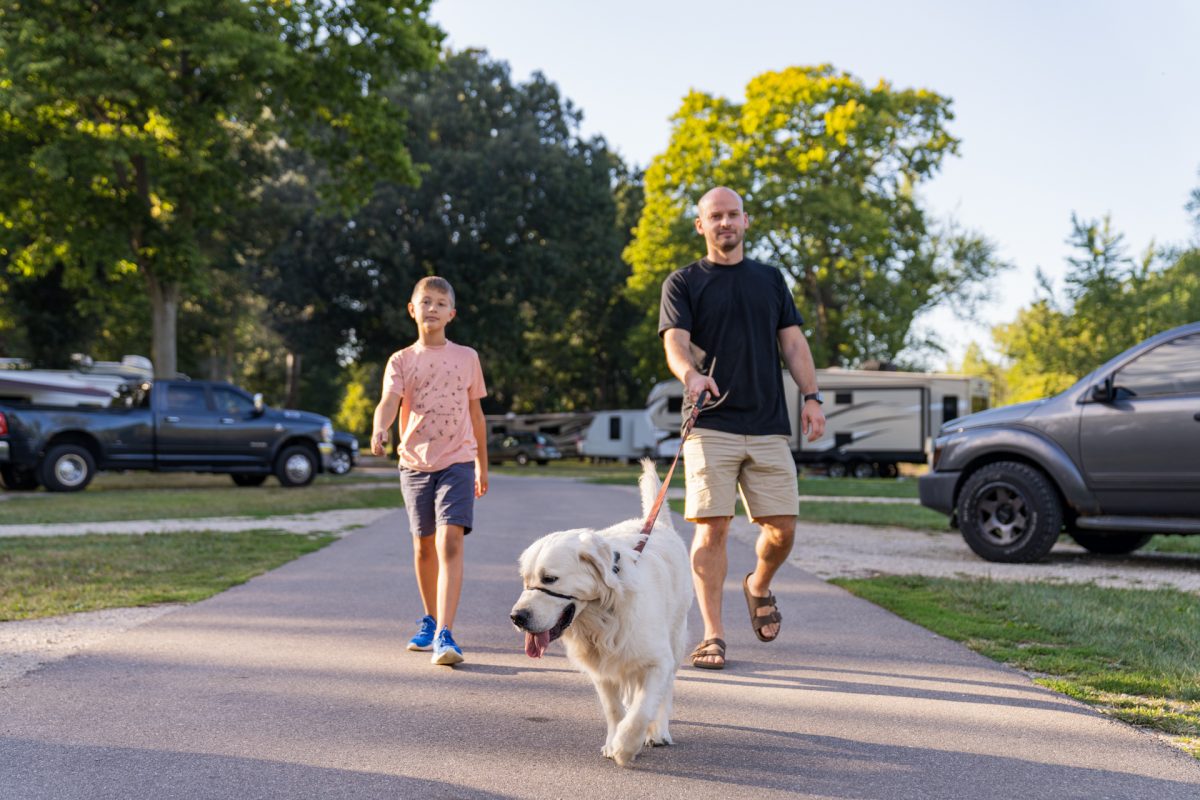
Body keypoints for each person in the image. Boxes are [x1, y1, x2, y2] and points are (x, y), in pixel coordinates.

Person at [659, 186, 826, 670]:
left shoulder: (770, 280)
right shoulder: (684, 281)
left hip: (769, 423)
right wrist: (690, 374)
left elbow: (793, 344)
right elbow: (676, 341)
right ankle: (713, 634)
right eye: (716, 216)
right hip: (712, 422)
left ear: (746, 221)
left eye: (733, 215)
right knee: (711, 528)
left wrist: (812, 398)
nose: (725, 223)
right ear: (701, 225)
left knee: (783, 529)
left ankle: (758, 585)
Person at [371, 276, 489, 666]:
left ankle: (445, 633)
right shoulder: (402, 360)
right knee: (423, 545)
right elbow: (389, 399)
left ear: (451, 313)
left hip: (457, 459)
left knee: (449, 541)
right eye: (426, 302)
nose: (433, 308)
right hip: (415, 464)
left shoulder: (467, 357)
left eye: (441, 303)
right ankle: (430, 618)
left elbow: (476, 414)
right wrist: (380, 427)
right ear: (412, 309)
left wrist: (481, 465)